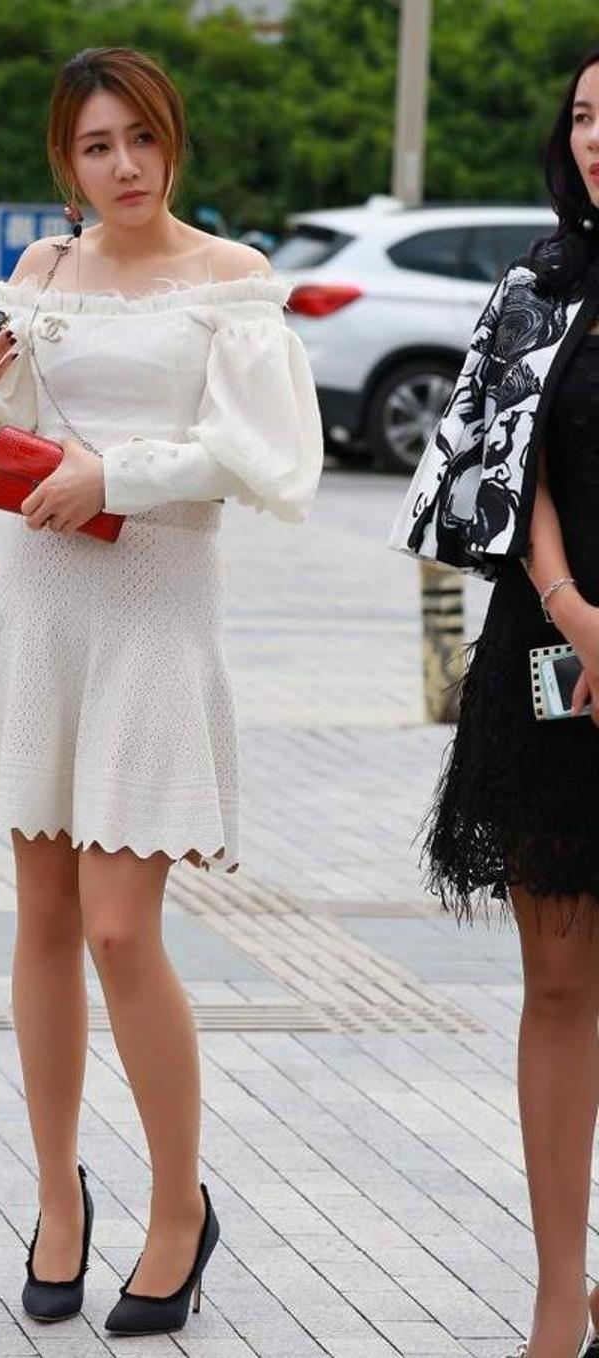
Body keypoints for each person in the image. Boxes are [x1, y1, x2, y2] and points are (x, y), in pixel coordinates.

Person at [0, 46, 322, 1337]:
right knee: (41, 914)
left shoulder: (229, 279)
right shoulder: (37, 276)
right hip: (42, 605)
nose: (125, 165)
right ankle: (57, 1198)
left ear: (172, 139)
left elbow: (268, 458)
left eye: (141, 137)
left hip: (154, 614)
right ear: (67, 162)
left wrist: (119, 475)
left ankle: (179, 1207)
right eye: (98, 146)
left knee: (119, 927)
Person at [390, 46, 599, 1358]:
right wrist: (573, 605)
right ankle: (556, 1291)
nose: (597, 137)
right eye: (584, 116)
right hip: (548, 651)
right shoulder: (535, 287)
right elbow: (497, 467)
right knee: (561, 978)